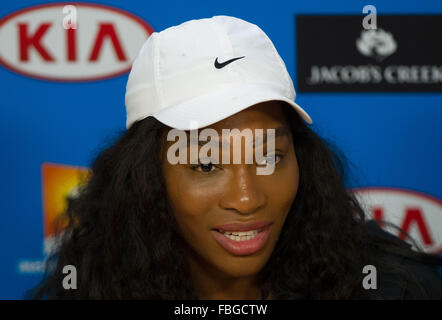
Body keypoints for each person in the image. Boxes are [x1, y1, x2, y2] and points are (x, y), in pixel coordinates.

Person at [30, 15, 442, 300]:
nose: (247, 199)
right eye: (206, 164)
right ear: (146, 179)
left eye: (269, 157)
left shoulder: (389, 286)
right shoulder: (93, 286)